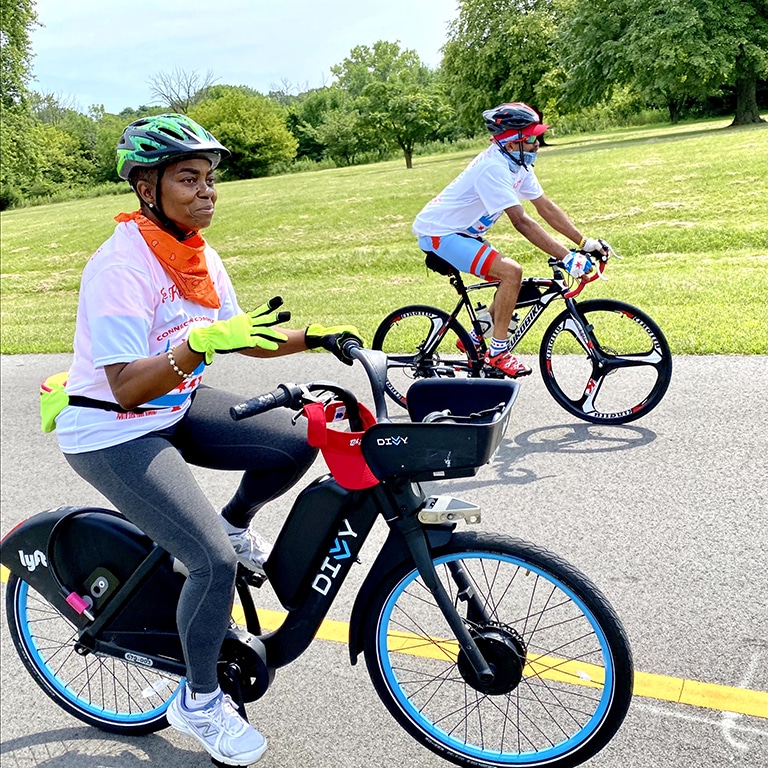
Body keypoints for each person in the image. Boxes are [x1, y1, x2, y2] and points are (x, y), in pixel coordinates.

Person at [54, 113, 361, 766]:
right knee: (212, 564)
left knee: (294, 439)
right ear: (146, 189)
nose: (207, 190)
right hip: (112, 429)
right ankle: (196, 699)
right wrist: (194, 347)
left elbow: (242, 331)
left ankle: (234, 523)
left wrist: (317, 337)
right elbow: (127, 387)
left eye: (210, 178)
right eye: (188, 178)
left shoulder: (198, 255)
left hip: (175, 405)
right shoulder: (119, 267)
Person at [412, 102, 611, 378]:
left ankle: (476, 335)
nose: (537, 144)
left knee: (512, 282)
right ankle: (497, 352)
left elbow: (545, 207)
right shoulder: (493, 168)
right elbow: (521, 221)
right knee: (511, 272)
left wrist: (584, 243)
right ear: (511, 140)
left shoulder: (518, 164)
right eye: (530, 138)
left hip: (463, 232)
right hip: (439, 233)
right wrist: (567, 257)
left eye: (537, 137)